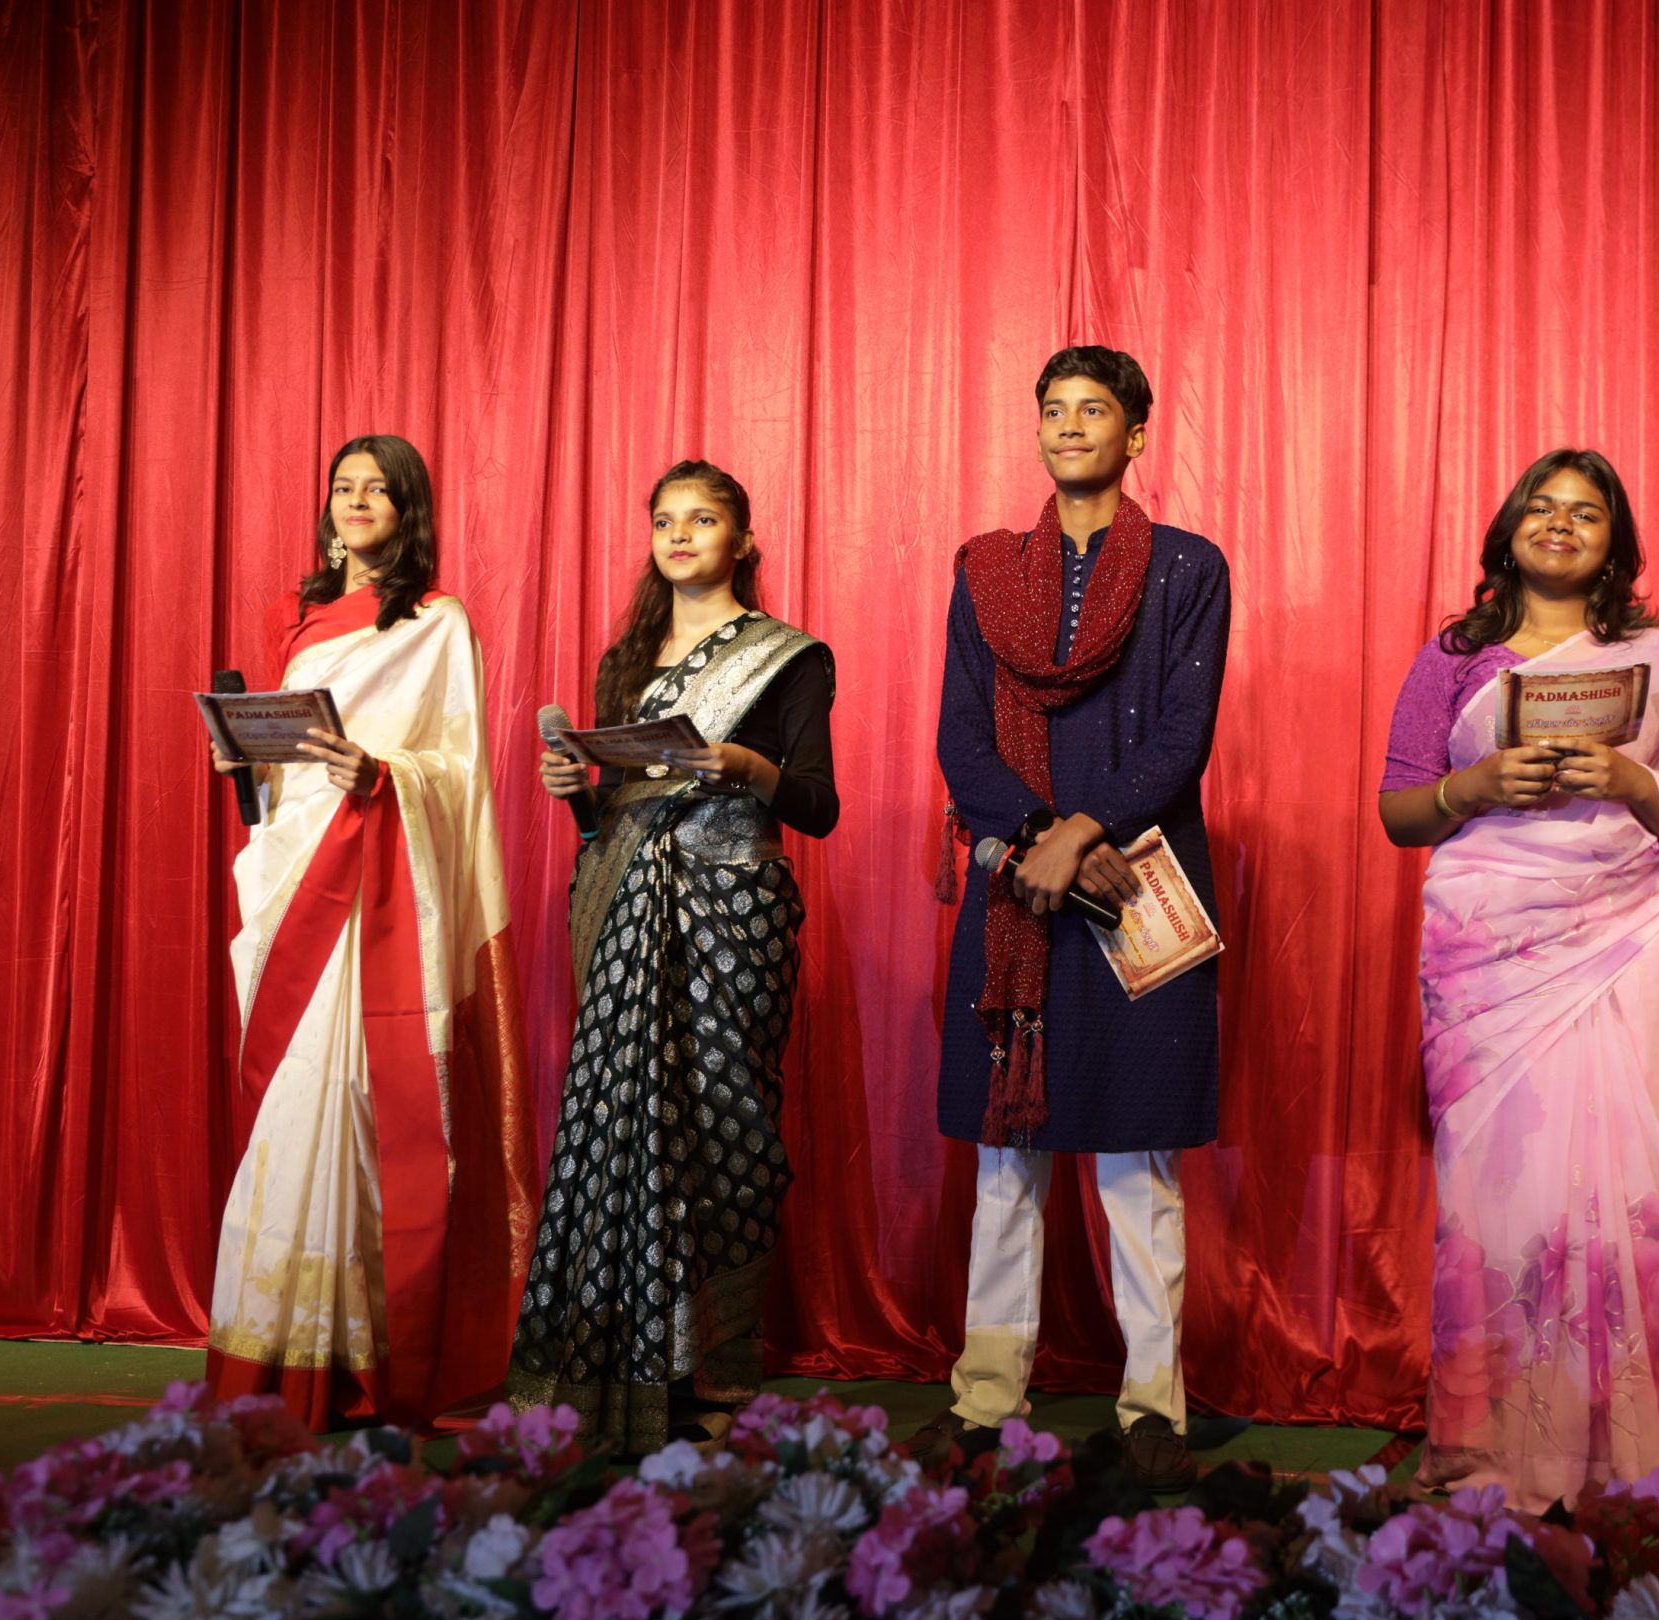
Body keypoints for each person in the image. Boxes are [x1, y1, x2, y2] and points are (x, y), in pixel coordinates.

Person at [1377, 449, 1659, 1508]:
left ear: (1615, 546)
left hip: (1626, 939)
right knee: (1498, 1199)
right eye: (1542, 507)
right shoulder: (1454, 659)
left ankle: (1623, 1451)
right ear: (1508, 531)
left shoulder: (1657, 662)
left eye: (1586, 513)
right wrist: (1474, 785)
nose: (1560, 523)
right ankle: (1493, 1447)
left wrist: (1635, 781)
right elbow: (1397, 810)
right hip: (1487, 954)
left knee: (1632, 1193)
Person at [910, 346, 1231, 1493]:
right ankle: (985, 1399)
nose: (1069, 426)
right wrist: (1038, 833)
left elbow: (1182, 733)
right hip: (1019, 885)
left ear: (1135, 435)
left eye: (1094, 410)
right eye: (1053, 409)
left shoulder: (1187, 568)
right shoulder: (986, 573)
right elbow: (960, 735)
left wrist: (1082, 831)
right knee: (1009, 1151)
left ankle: (1152, 1407)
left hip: (1138, 884)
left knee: (1138, 1162)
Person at [204, 433, 538, 1429]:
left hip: (377, 894)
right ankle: (278, 1354)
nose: (356, 503)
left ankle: (364, 1355)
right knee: (292, 1107)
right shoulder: (299, 617)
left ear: (407, 510)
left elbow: (460, 771)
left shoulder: (435, 622)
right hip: (296, 874)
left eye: (377, 491)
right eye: (344, 487)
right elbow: (288, 765)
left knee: (351, 1104)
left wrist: (385, 777)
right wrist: (243, 757)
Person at [506, 459, 838, 1453]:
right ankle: (620, 1365)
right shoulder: (628, 660)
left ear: (743, 540)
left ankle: (721, 1369)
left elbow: (817, 804)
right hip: (625, 911)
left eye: (702, 519)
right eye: (664, 520)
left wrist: (739, 764)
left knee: (729, 1139)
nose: (680, 534)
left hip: (733, 917)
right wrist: (575, 788)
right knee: (623, 1129)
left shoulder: (789, 659)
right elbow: (607, 817)